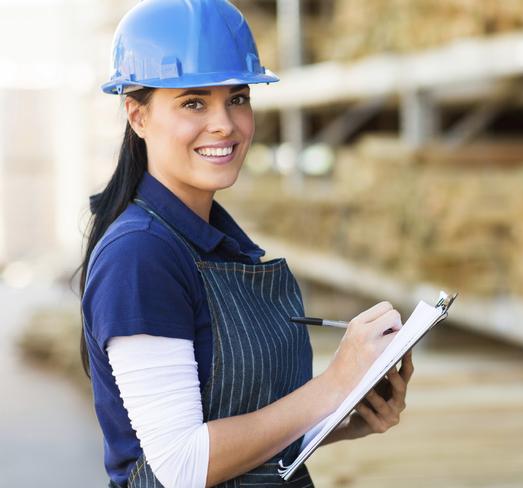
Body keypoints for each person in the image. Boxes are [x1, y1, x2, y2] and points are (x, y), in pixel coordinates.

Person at [78, 1, 414, 487]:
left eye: (237, 98)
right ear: (137, 115)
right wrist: (334, 383)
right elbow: (182, 465)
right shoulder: (140, 256)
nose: (225, 124)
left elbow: (243, 426)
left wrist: (343, 417)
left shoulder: (219, 241)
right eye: (194, 102)